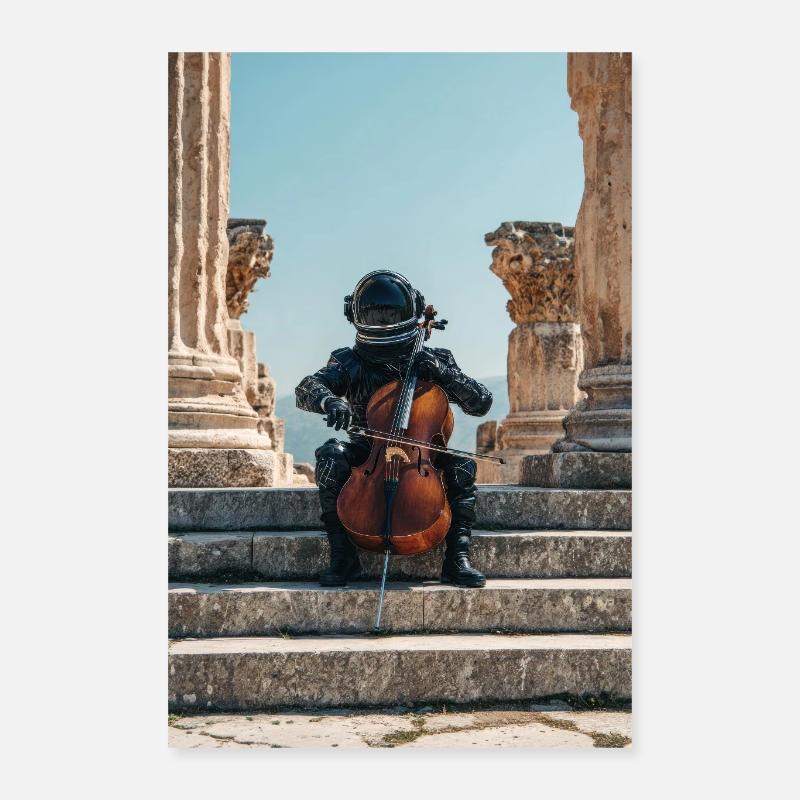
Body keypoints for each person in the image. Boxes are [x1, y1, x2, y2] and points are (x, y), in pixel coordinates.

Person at [295, 270, 493, 588]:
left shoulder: (435, 360)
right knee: (330, 457)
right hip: (367, 450)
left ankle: (457, 558)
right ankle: (343, 557)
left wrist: (445, 374)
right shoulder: (349, 361)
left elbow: (481, 402)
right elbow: (307, 387)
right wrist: (328, 402)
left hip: (423, 453)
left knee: (462, 466)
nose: (384, 318)